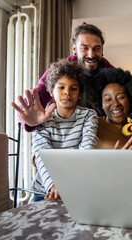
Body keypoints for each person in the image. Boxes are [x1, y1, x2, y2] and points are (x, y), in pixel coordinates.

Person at [11, 22, 115, 132]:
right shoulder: (61, 70)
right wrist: (31, 120)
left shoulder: (110, 71)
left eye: (96, 49)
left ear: (102, 49)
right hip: (66, 134)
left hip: (102, 132)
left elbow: (129, 94)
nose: (91, 54)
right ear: (74, 49)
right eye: (84, 48)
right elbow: (36, 97)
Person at [31, 60, 99, 201]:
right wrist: (53, 186)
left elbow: (87, 148)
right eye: (61, 88)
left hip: (77, 185)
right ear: (51, 92)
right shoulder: (43, 119)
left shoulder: (89, 115)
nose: (67, 92)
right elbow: (41, 155)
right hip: (46, 189)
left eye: (73, 88)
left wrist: (70, 185)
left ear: (80, 94)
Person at [86, 68, 132, 149]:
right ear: (100, 103)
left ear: (129, 99)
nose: (115, 104)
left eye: (120, 97)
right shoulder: (92, 126)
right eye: (108, 99)